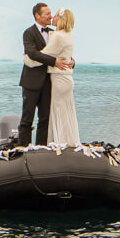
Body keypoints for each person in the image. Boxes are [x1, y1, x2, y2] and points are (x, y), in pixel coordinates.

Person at [17, 2, 72, 146]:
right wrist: (53, 61)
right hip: (31, 82)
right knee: (27, 118)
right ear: (37, 16)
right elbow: (32, 53)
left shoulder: (53, 33)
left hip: (48, 83)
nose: (50, 16)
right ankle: (23, 148)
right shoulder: (29, 33)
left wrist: (72, 61)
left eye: (51, 13)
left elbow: (64, 50)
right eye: (47, 13)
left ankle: (41, 148)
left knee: (45, 118)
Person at [42, 9, 80, 146]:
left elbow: (45, 54)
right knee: (67, 111)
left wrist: (28, 57)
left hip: (59, 78)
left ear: (61, 19)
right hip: (66, 78)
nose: (53, 17)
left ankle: (61, 141)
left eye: (56, 15)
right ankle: (69, 140)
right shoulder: (67, 35)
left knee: (59, 111)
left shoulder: (58, 37)